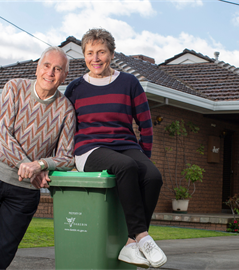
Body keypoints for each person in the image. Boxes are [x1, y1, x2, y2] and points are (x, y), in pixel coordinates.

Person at [65, 28, 167, 268]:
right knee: (126, 166)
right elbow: (66, 129)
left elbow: (145, 124)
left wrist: (146, 158)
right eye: (90, 53)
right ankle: (143, 237)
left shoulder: (129, 83)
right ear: (84, 55)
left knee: (152, 176)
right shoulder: (75, 88)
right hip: (89, 149)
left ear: (111, 54)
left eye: (101, 52)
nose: (96, 58)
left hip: (125, 145)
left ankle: (131, 244)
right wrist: (66, 160)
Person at [0, 46, 75, 270]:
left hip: (23, 193)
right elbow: (1, 134)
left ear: (65, 76)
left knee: (0, 252)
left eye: (58, 69)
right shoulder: (14, 87)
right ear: (37, 68)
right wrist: (29, 167)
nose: (51, 73)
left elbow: (66, 157)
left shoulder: (66, 109)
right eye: (47, 66)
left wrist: (41, 165)